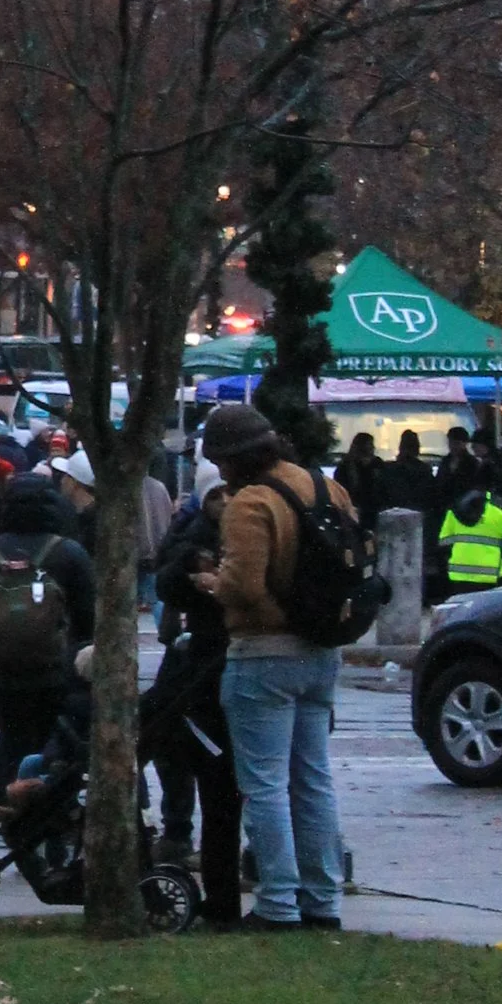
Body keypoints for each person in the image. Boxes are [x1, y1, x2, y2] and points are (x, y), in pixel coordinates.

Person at [195, 395, 355, 931]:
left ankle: (278, 903)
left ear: (233, 459)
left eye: (219, 462)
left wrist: (214, 583)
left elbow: (243, 584)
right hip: (322, 650)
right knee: (313, 779)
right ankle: (323, 901)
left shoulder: (251, 502)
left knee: (264, 784)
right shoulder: (326, 486)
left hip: (262, 653)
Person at [0, 490, 96, 782]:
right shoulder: (69, 553)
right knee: (54, 738)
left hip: (3, 671)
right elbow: (88, 615)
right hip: (57, 669)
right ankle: (43, 800)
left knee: (13, 737)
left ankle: (1, 796)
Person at [143, 485, 239, 924]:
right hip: (202, 661)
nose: (225, 501)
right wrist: (189, 570)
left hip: (226, 660)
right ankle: (179, 830)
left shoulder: (254, 522)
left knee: (230, 779)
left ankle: (228, 891)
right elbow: (168, 580)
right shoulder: (192, 535)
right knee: (182, 752)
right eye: (217, 493)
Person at [438, 477, 502, 596]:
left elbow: (444, 545)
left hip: (458, 577)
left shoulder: (454, 511)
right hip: (492, 579)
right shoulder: (501, 511)